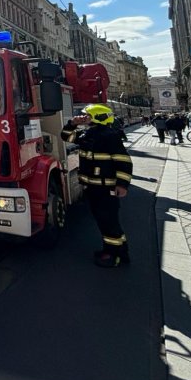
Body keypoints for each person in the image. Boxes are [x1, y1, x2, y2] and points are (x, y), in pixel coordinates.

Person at [61, 103, 133, 268]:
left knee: (109, 222)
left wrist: (122, 184)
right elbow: (66, 137)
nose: (84, 117)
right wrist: (72, 123)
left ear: (97, 117)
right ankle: (118, 251)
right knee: (105, 222)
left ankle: (115, 256)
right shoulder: (88, 134)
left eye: (87, 115)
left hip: (106, 189)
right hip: (93, 188)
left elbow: (124, 161)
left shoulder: (109, 136)